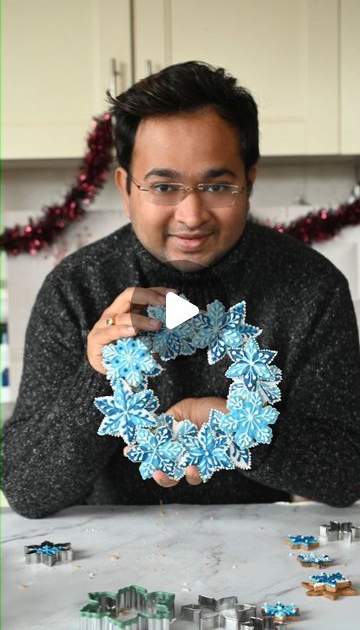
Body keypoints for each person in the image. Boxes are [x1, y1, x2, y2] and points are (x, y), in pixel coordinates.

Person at [2, 61, 360, 519]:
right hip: (104, 562)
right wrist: (97, 375)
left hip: (260, 557)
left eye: (217, 185)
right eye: (163, 186)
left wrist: (234, 425)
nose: (191, 215)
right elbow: (27, 489)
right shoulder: (75, 288)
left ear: (249, 181)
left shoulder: (312, 288)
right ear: (125, 187)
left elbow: (347, 474)